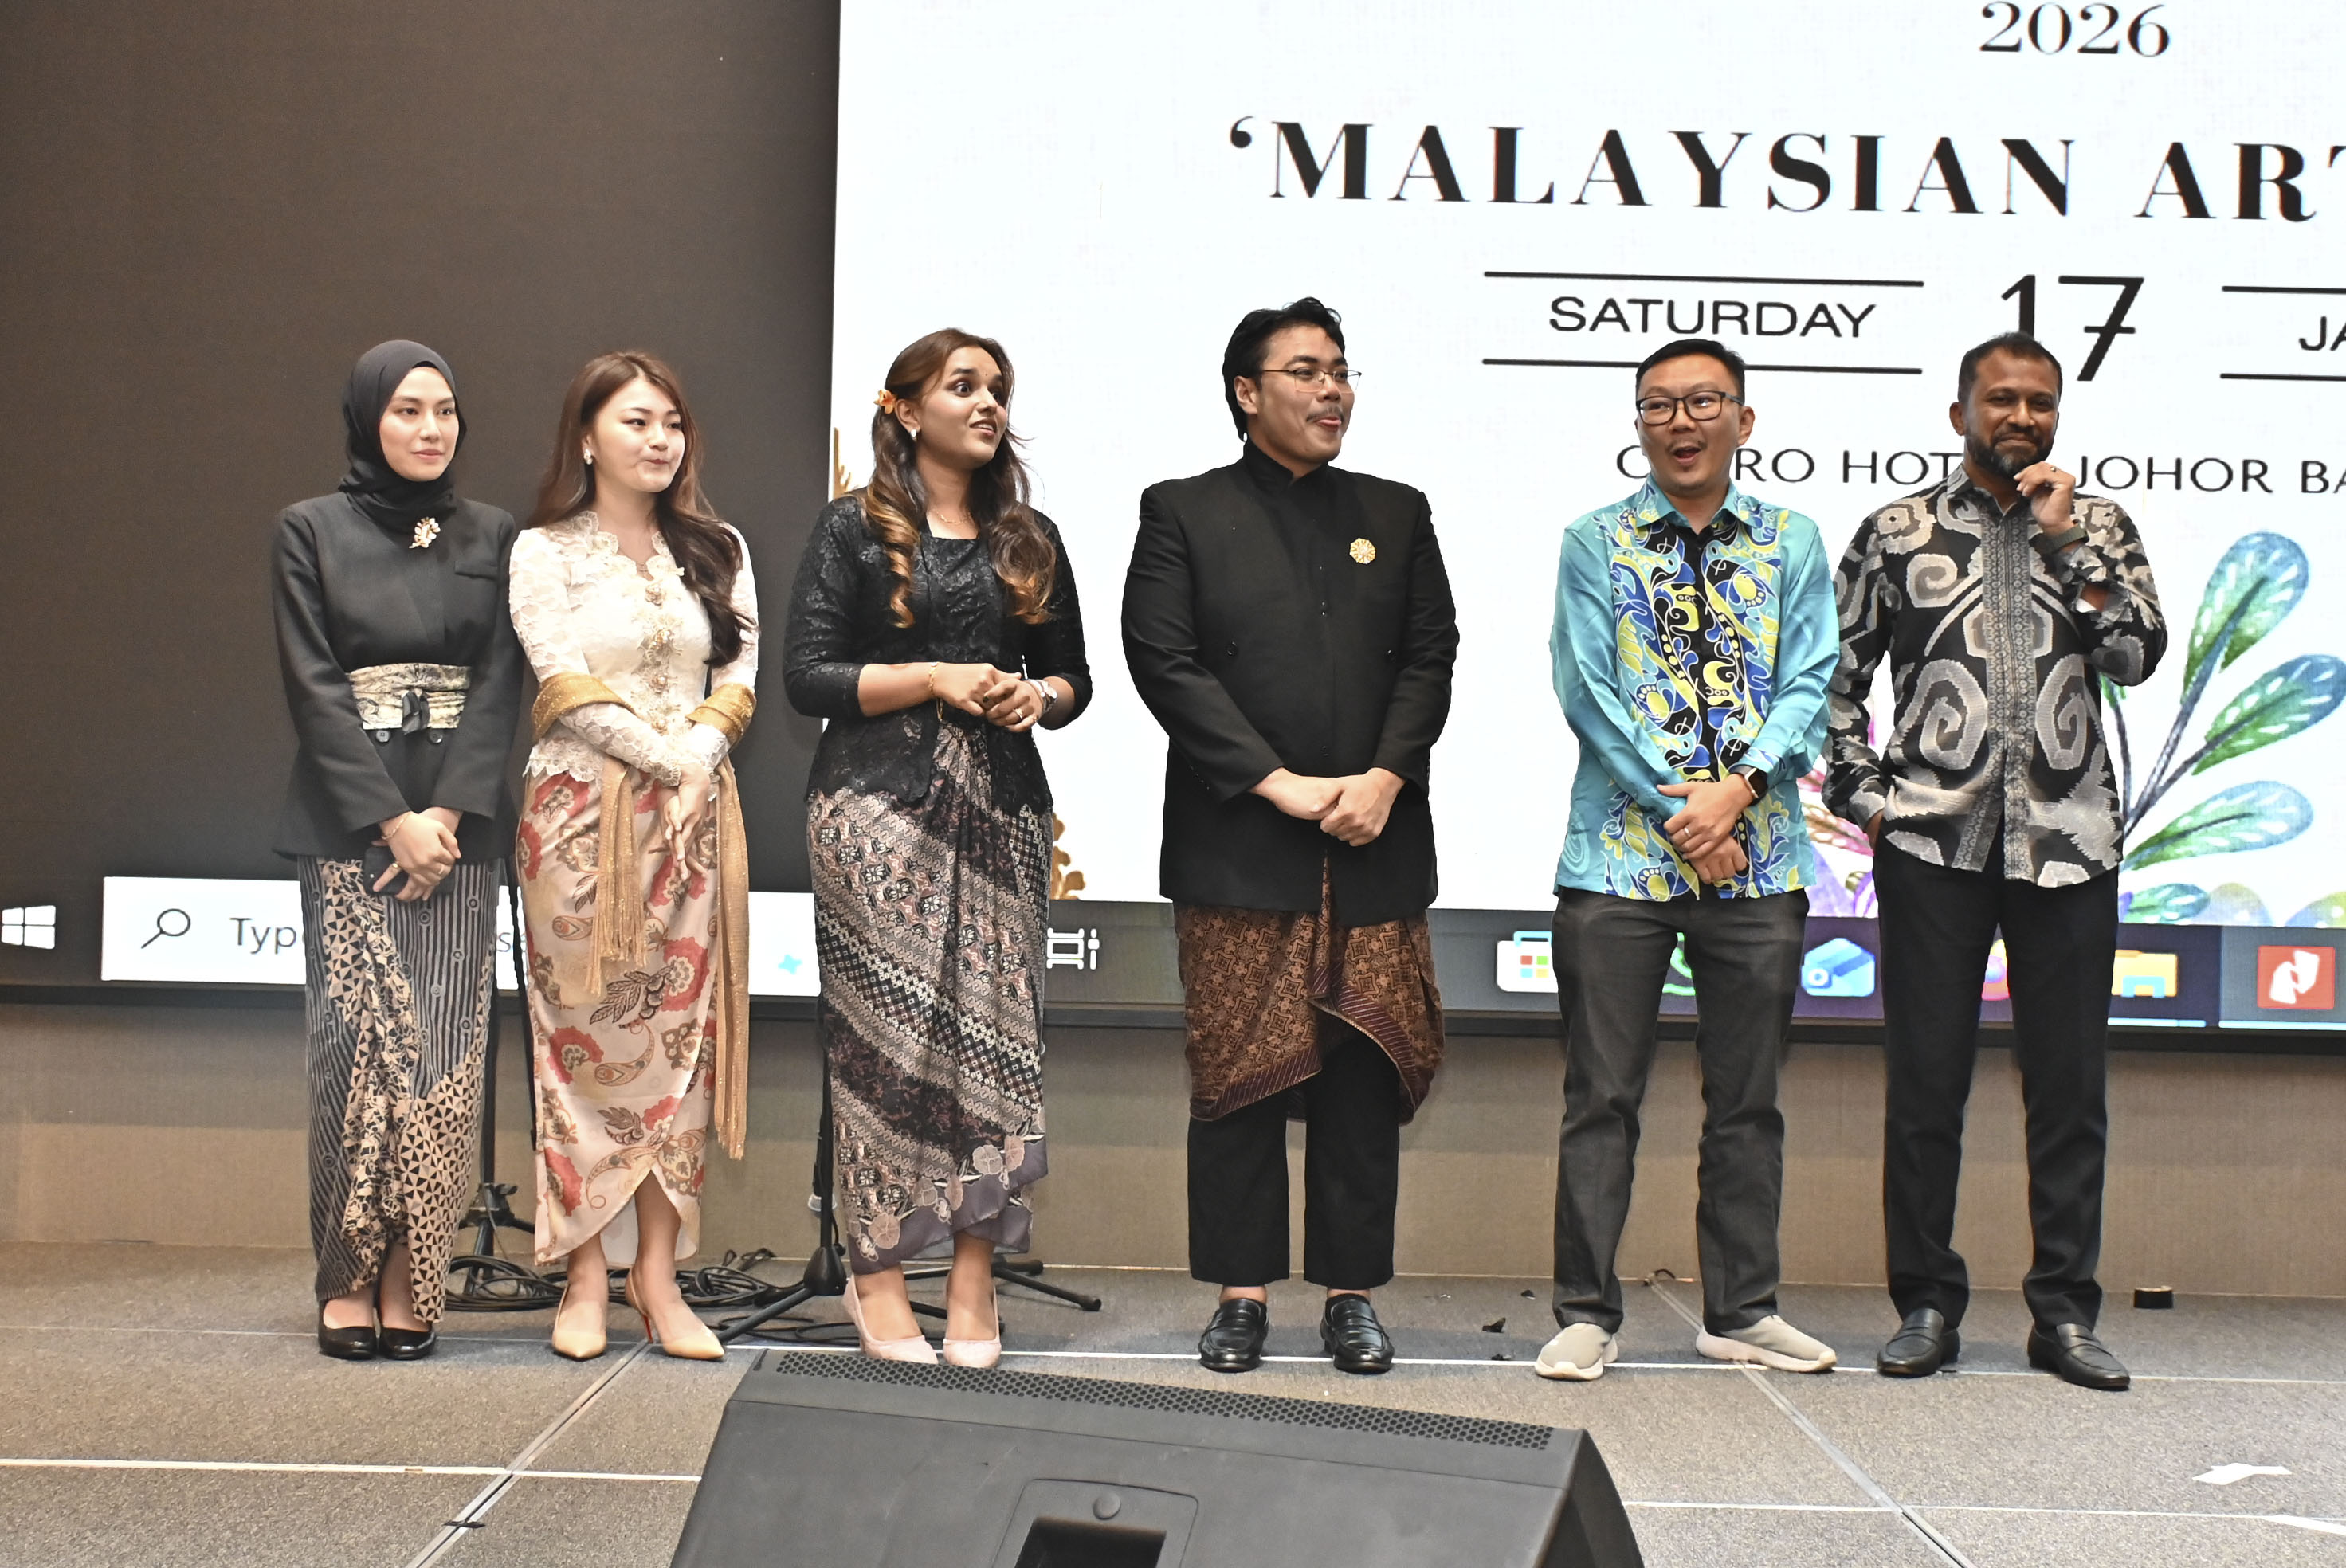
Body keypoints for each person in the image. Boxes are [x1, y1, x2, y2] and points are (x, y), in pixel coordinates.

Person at [1124, 297, 1457, 1377]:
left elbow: (1430, 657)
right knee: (1240, 1074)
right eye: (1306, 371)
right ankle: (1241, 1294)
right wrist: (1275, 784)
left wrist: (1384, 779)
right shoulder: (1182, 510)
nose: (1331, 391)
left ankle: (1352, 1295)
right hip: (1239, 842)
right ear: (1246, 391)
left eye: (1340, 371)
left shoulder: (1396, 512)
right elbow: (1164, 661)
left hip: (1373, 835)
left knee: (1361, 1070)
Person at [1828, 332, 2164, 1391]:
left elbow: (2134, 655)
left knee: (2069, 1093)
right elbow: (1833, 680)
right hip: (1934, 844)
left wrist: (2068, 547)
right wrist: (1869, 803)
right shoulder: (1896, 532)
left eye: (2040, 403)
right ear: (1960, 412)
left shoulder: (2099, 526)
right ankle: (1925, 1303)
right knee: (1926, 1087)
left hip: (2071, 843)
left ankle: (2063, 1315)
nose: (2022, 418)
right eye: (2003, 399)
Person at [783, 330, 1089, 1368]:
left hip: (1001, 814)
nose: (988, 402)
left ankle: (972, 1282)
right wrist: (935, 678)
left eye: (998, 388)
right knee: (887, 1053)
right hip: (875, 814)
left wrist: (1035, 696)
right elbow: (808, 678)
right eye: (964, 386)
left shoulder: (1030, 537)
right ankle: (875, 1278)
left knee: (997, 1053)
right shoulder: (852, 529)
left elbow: (1073, 679)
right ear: (908, 410)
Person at [1536, 339, 1839, 1382]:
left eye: (1703, 401)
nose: (1680, 421)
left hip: (1759, 861)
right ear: (1639, 425)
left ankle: (1742, 1311)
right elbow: (1586, 689)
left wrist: (1737, 791)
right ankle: (1585, 1313)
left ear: (1743, 422)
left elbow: (1812, 681)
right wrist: (1687, 812)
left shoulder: (1794, 541)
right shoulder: (1595, 541)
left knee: (1747, 1102)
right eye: (1658, 404)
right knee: (1601, 1096)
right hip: (1618, 863)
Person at [273, 340, 524, 1362]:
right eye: (408, 410)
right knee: (353, 1052)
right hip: (350, 828)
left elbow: (502, 681)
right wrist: (393, 821)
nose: (430, 428)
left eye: (445, 410)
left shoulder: (494, 533)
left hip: (460, 834)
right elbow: (312, 685)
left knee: (443, 1056)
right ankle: (345, 1276)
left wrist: (447, 818)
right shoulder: (309, 529)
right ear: (368, 419)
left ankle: (411, 1277)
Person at [510, 351, 759, 1364]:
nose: (660, 440)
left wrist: (697, 755)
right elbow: (561, 681)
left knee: (681, 1044)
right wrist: (668, 758)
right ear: (586, 438)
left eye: (672, 423)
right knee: (577, 1042)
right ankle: (582, 1275)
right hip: (579, 820)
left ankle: (657, 1277)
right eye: (636, 422)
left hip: (694, 823)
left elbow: (738, 669)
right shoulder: (543, 550)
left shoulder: (717, 546)